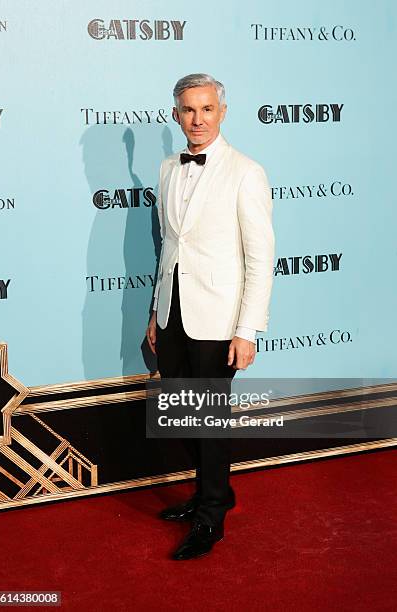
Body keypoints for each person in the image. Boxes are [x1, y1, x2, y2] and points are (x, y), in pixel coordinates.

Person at [146, 73, 275, 560]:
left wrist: (247, 329)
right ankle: (209, 492)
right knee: (182, 413)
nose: (196, 119)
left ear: (222, 111)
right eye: (187, 110)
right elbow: (168, 250)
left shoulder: (246, 171)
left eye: (205, 109)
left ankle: (211, 515)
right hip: (173, 313)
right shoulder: (166, 168)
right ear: (175, 114)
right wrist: (154, 315)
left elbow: (260, 259)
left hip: (220, 318)